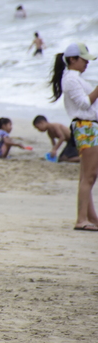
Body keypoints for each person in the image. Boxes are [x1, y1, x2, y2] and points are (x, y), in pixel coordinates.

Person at [49, 43, 98, 231]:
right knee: (89, 175)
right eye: (83, 59)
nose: (86, 63)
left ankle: (90, 217)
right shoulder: (71, 79)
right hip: (85, 127)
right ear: (72, 59)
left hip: (88, 127)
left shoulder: (74, 78)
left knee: (89, 175)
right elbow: (85, 104)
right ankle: (82, 219)